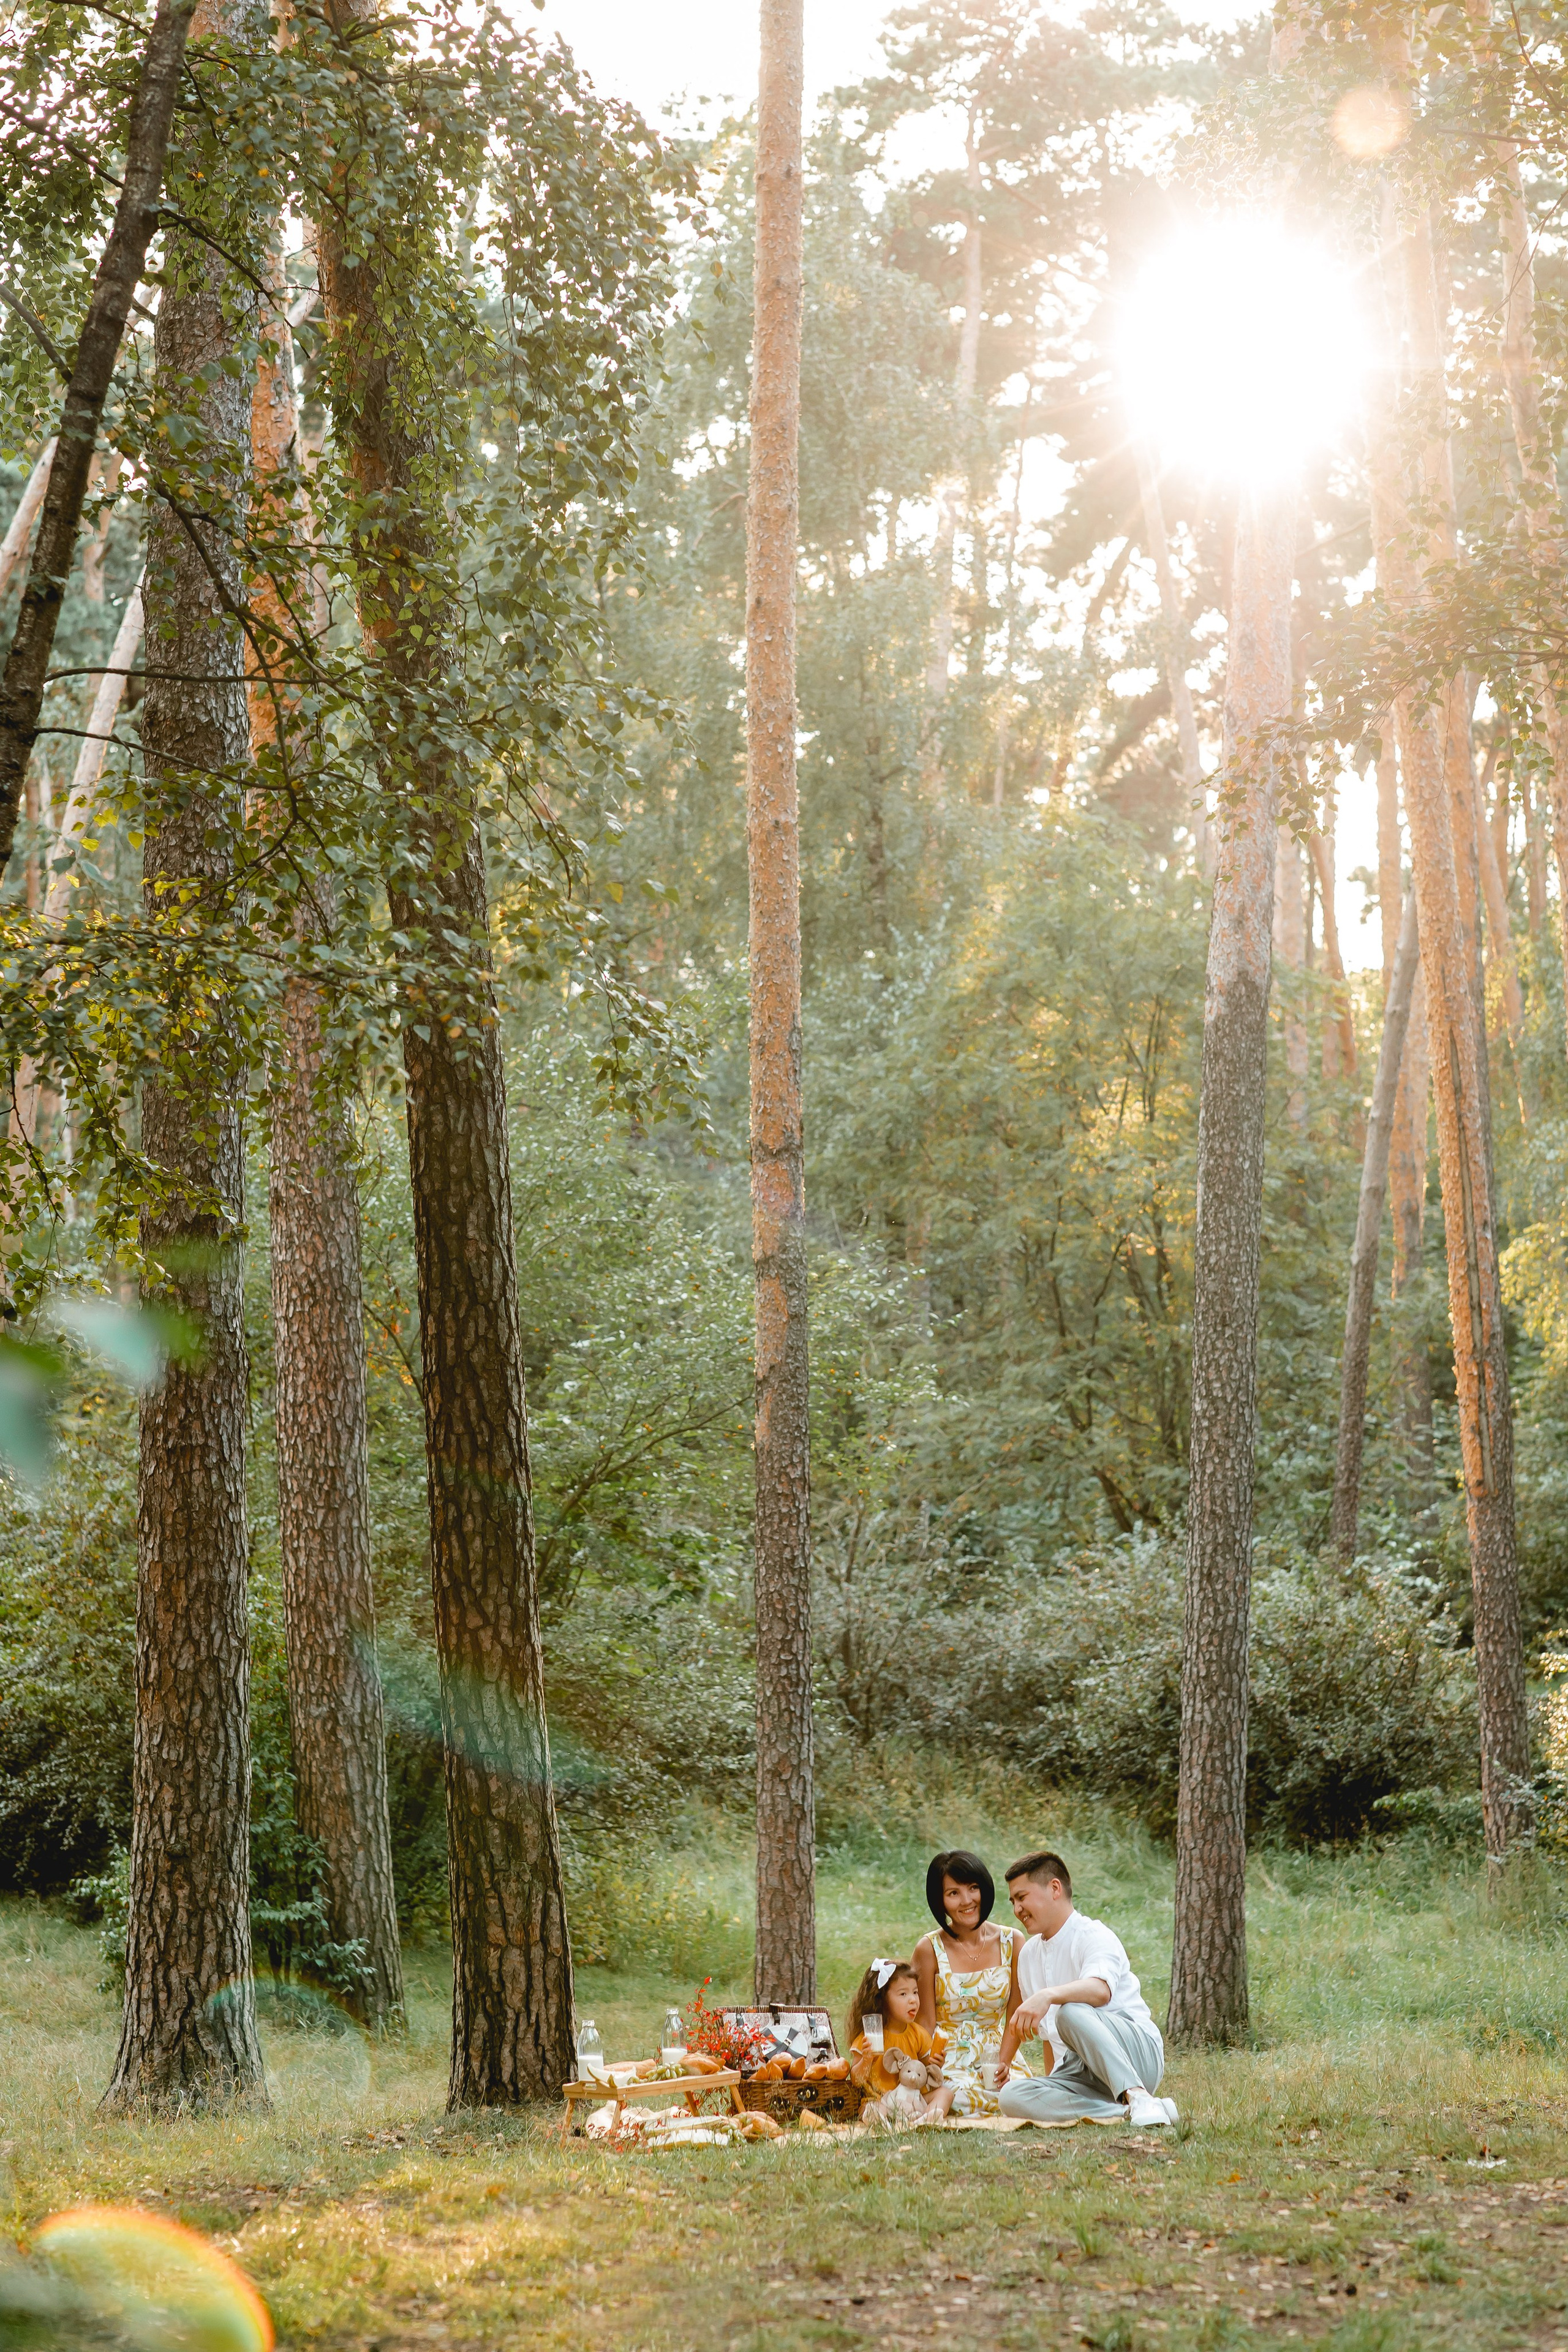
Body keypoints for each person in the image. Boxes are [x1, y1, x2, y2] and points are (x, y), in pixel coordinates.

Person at [994, 1850, 1177, 2130]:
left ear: (1055, 1888)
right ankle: (1126, 2112)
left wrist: (1048, 1995)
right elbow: (1049, 2039)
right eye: (1013, 1902)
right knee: (1011, 2098)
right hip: (1080, 2073)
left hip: (1135, 2056)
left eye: (1022, 1897)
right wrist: (1053, 2085)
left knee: (1070, 2012)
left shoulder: (1093, 1935)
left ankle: (1138, 2095)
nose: (1017, 1909)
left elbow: (1100, 1990)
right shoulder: (1029, 1955)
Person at [913, 1847, 1036, 2117]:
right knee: (962, 2098)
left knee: (1019, 2096)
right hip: (950, 2056)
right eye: (953, 1893)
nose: (967, 1901)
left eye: (973, 1888)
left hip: (998, 2054)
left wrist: (1003, 2062)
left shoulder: (1012, 1941)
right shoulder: (929, 1948)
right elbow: (924, 2023)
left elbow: (1015, 2016)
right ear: (940, 1900)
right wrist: (925, 2060)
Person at [847, 1957, 956, 2125]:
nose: (913, 2000)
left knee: (945, 2094)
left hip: (913, 2101)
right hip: (882, 2100)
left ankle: (928, 2117)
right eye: (903, 1994)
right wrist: (866, 2060)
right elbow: (857, 2080)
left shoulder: (917, 2033)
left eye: (915, 1992)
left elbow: (924, 2070)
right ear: (882, 2000)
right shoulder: (870, 2036)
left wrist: (936, 2064)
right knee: (869, 2107)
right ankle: (880, 2119)